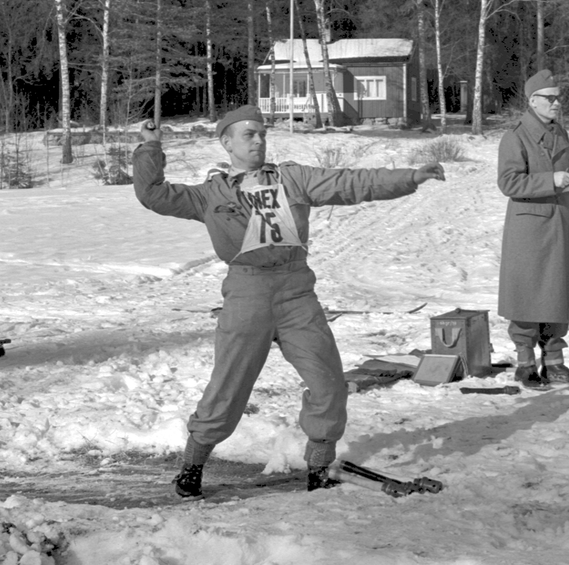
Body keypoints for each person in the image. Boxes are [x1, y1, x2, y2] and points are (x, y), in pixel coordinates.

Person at [133, 105, 445, 498]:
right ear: (227, 142)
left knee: (329, 383)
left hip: (297, 293)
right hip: (247, 295)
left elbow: (350, 183)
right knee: (228, 387)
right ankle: (192, 467)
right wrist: (150, 147)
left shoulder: (291, 179)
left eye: (262, 134)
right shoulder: (209, 195)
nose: (258, 141)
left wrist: (410, 177)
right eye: (249, 135)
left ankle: (319, 468)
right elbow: (154, 194)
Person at [496, 70, 569, 388]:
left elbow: (568, 172)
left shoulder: (559, 133)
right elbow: (509, 182)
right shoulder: (515, 136)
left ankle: (554, 362)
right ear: (532, 100)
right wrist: (551, 180)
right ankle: (525, 364)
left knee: (559, 292)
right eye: (550, 98)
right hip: (530, 228)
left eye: (558, 98)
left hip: (562, 221)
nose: (557, 103)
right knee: (528, 294)